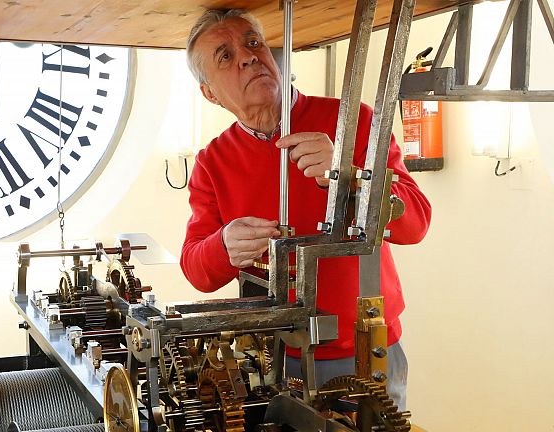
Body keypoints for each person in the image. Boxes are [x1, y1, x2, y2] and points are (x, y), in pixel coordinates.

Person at [179, 9, 432, 411]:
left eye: (252, 42)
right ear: (210, 93)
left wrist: (348, 176)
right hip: (271, 359)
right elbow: (195, 268)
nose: (247, 57)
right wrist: (223, 246)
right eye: (225, 56)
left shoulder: (354, 121)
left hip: (365, 352)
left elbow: (416, 221)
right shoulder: (212, 161)